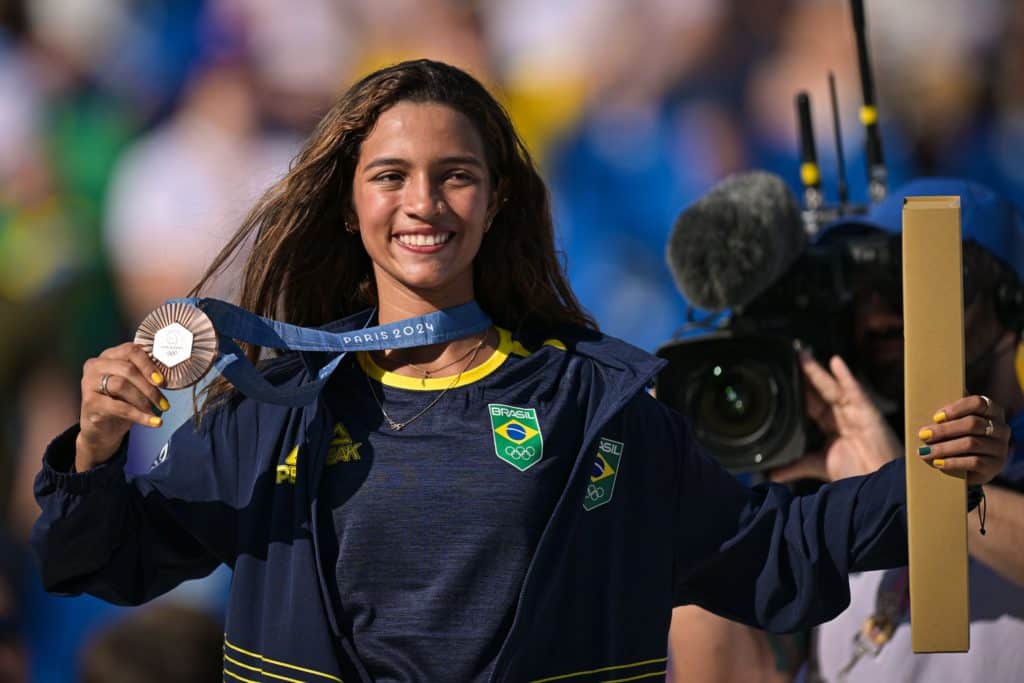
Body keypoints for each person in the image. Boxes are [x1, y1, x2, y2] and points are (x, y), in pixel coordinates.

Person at [31, 61, 1009, 683]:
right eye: (390, 175)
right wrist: (97, 447)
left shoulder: (598, 405)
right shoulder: (277, 404)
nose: (425, 201)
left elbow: (772, 548)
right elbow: (102, 559)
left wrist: (929, 475)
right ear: (349, 205)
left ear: (496, 201)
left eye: (455, 173)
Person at [667, 177, 1024, 682]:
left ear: (1007, 303)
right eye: (861, 293)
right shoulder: (824, 471)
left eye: (914, 278)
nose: (878, 312)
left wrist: (903, 483)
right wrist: (695, 519)